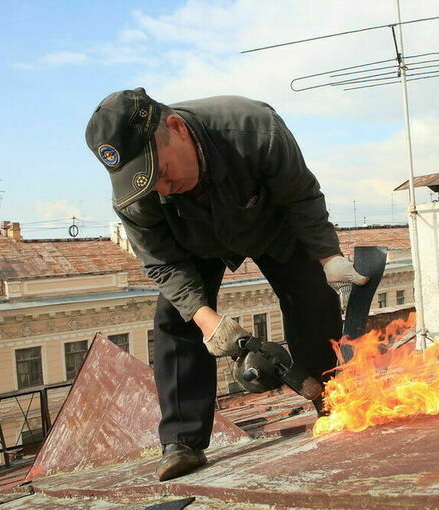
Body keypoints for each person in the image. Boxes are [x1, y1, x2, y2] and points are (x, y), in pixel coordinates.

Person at [85, 88, 368, 481]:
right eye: (152, 185)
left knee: (311, 296)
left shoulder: (252, 127)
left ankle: (331, 401)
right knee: (175, 319)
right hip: (193, 242)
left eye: (163, 173)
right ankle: (182, 442)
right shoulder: (135, 197)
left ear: (176, 127)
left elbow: (301, 196)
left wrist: (328, 257)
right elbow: (163, 264)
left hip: (270, 225)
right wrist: (207, 322)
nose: (163, 189)